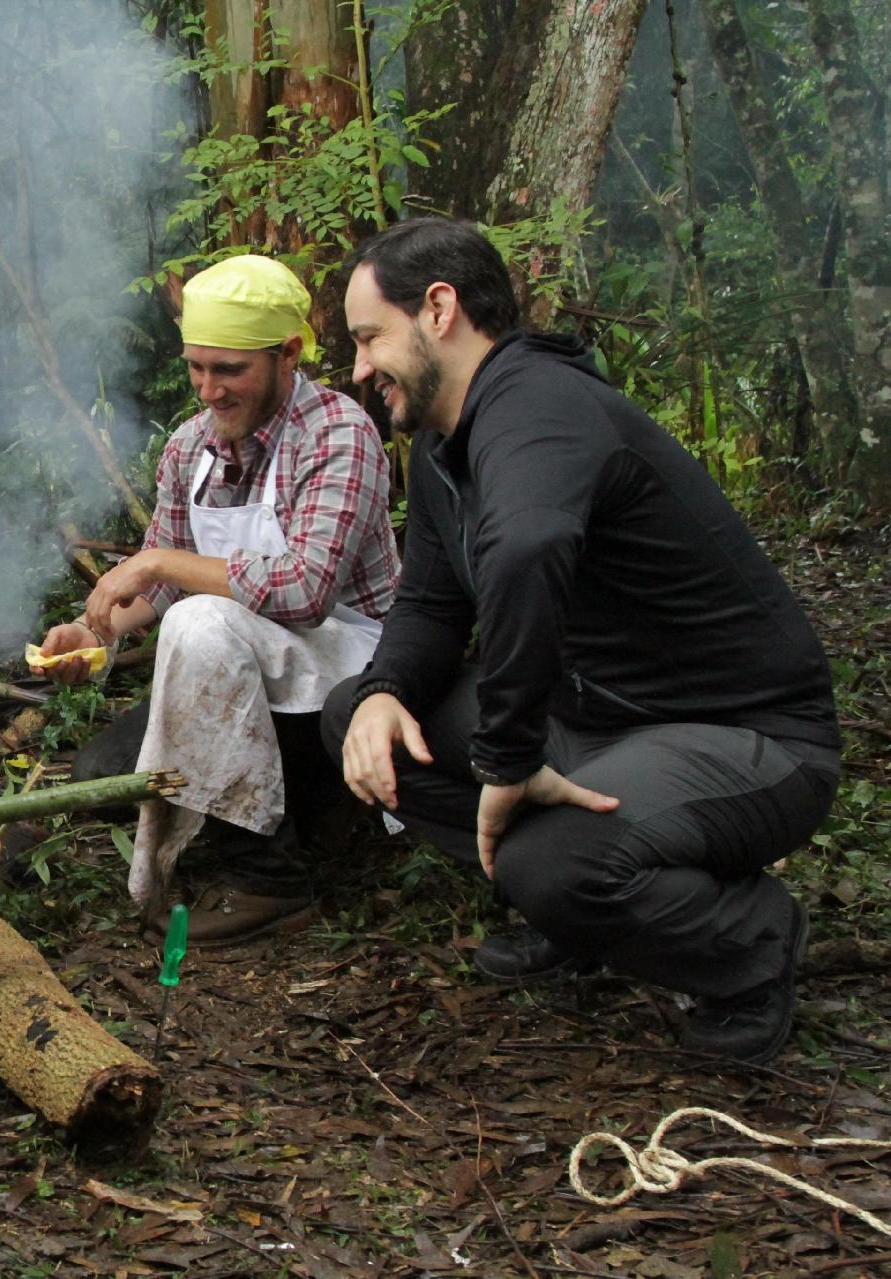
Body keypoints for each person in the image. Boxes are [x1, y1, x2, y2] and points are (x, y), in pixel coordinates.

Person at [324, 217, 839, 1064]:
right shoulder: (447, 446)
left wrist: (508, 757)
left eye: (369, 337)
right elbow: (430, 608)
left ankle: (753, 942)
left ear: (439, 310)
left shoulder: (539, 406)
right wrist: (383, 693)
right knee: (362, 721)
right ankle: (579, 913)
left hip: (745, 737)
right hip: (594, 722)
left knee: (550, 864)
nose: (359, 368)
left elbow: (528, 548)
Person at [31, 255, 399, 942]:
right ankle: (270, 809)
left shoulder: (338, 435)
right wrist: (97, 630)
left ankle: (267, 878)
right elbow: (160, 584)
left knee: (200, 622)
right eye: (197, 368)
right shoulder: (188, 448)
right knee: (102, 773)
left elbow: (305, 590)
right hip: (243, 668)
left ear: (287, 354)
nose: (208, 389)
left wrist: (159, 562)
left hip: (349, 678)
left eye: (229, 369)